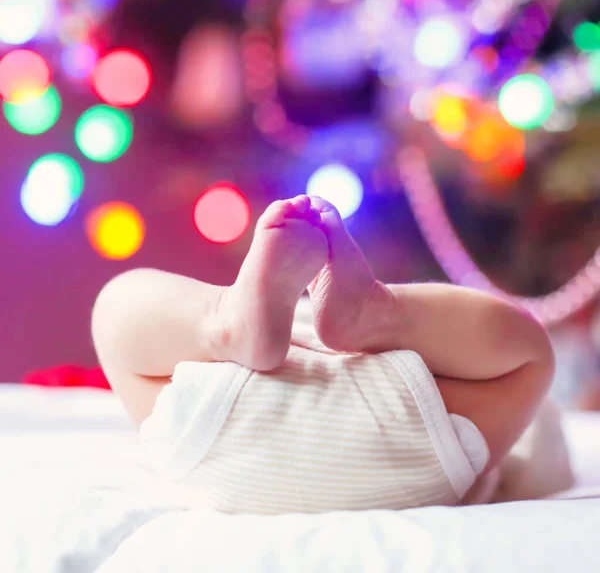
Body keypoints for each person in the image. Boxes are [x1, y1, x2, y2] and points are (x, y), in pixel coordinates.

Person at [92, 195, 554, 514]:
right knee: (531, 351)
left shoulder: (192, 391)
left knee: (115, 306)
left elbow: (134, 355)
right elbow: (525, 369)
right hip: (413, 454)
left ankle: (221, 321)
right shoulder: (450, 400)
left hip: (215, 432)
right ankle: (382, 313)